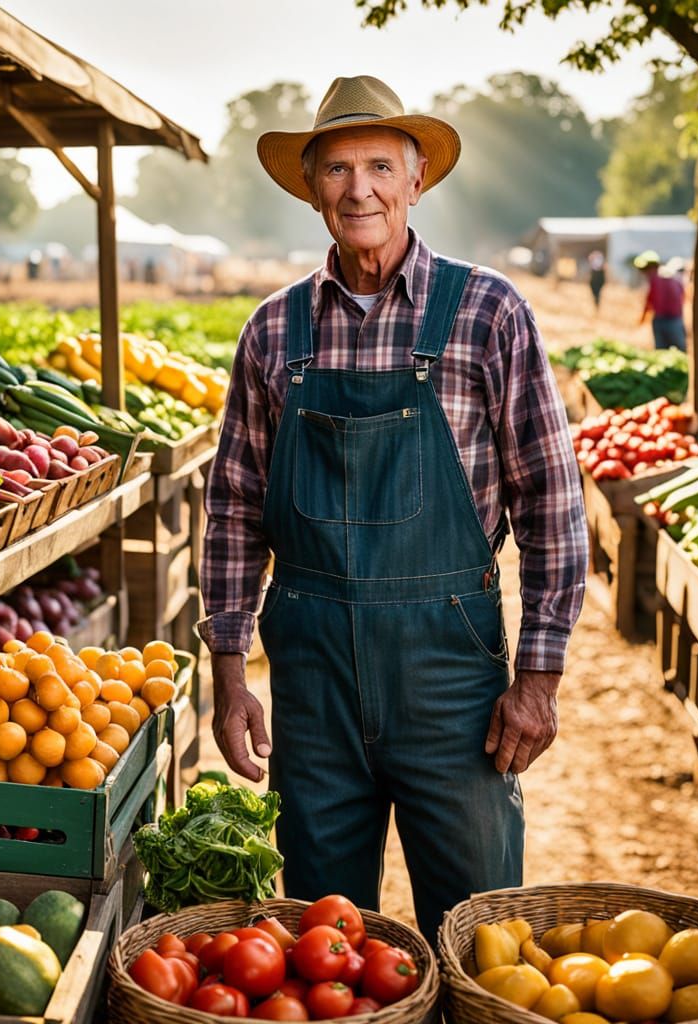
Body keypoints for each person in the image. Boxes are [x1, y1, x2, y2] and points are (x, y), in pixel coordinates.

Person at [197, 75, 588, 940]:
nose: (359, 188)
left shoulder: (487, 312)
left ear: (417, 181)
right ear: (312, 190)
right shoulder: (273, 330)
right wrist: (228, 675)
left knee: (481, 935)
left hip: (451, 678)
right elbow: (231, 511)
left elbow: (552, 504)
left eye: (380, 165)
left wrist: (538, 679)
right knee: (326, 943)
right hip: (313, 683)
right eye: (336, 169)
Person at [635, 251, 686, 351]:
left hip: (666, 320)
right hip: (675, 320)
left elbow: (650, 301)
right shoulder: (672, 277)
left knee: (663, 351)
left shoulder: (657, 279)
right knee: (679, 350)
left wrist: (642, 318)